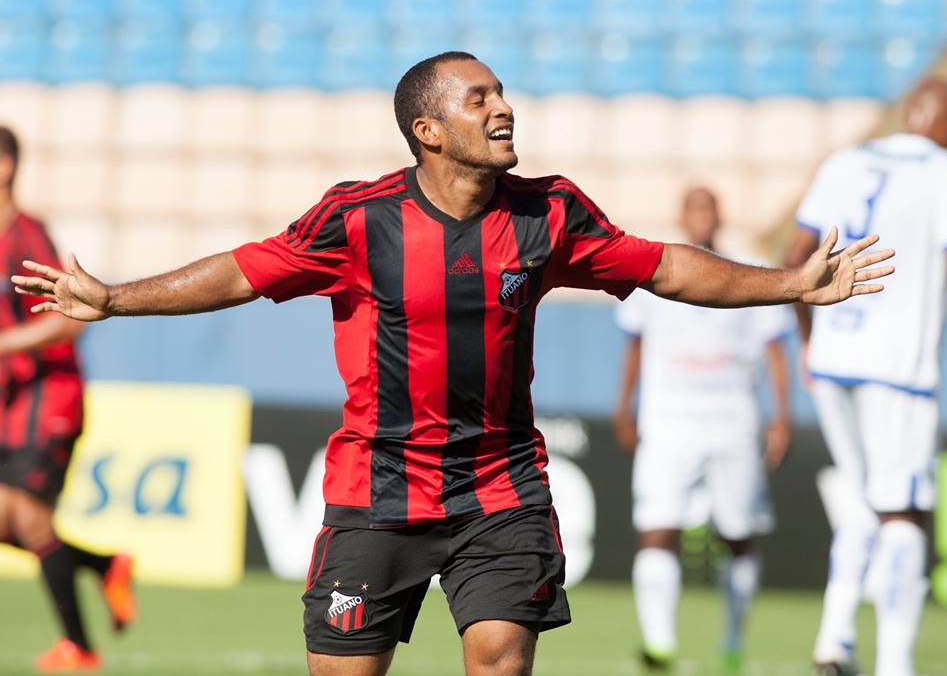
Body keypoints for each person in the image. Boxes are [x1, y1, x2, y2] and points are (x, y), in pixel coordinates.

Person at [14, 53, 892, 676]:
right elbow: (245, 269)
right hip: (378, 490)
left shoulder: (549, 212)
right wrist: (116, 296)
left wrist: (789, 283)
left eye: (502, 93)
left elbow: (662, 265)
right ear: (427, 129)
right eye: (479, 99)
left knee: (503, 657)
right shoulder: (358, 220)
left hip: (502, 490)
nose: (503, 108)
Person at [785, 77, 947, 676]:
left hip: (835, 357)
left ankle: (835, 640)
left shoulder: (847, 160)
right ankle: (896, 664)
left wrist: (809, 342)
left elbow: (794, 259)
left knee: (862, 504)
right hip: (898, 369)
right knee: (902, 512)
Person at [612, 187, 792, 673]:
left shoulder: (749, 269)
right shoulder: (654, 268)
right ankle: (659, 642)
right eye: (694, 208)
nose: (702, 217)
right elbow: (634, 345)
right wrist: (623, 406)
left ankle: (733, 643)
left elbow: (775, 349)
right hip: (667, 420)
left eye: (709, 208)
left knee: (738, 535)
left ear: (720, 215)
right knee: (657, 528)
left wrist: (781, 416)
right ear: (682, 216)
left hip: (733, 421)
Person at [0, 126, 135, 673]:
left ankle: (79, 647)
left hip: (46, 396)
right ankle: (104, 566)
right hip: (11, 402)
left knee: (28, 519)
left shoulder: (27, 235)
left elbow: (68, 321)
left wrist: (7, 343)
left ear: (7, 166)